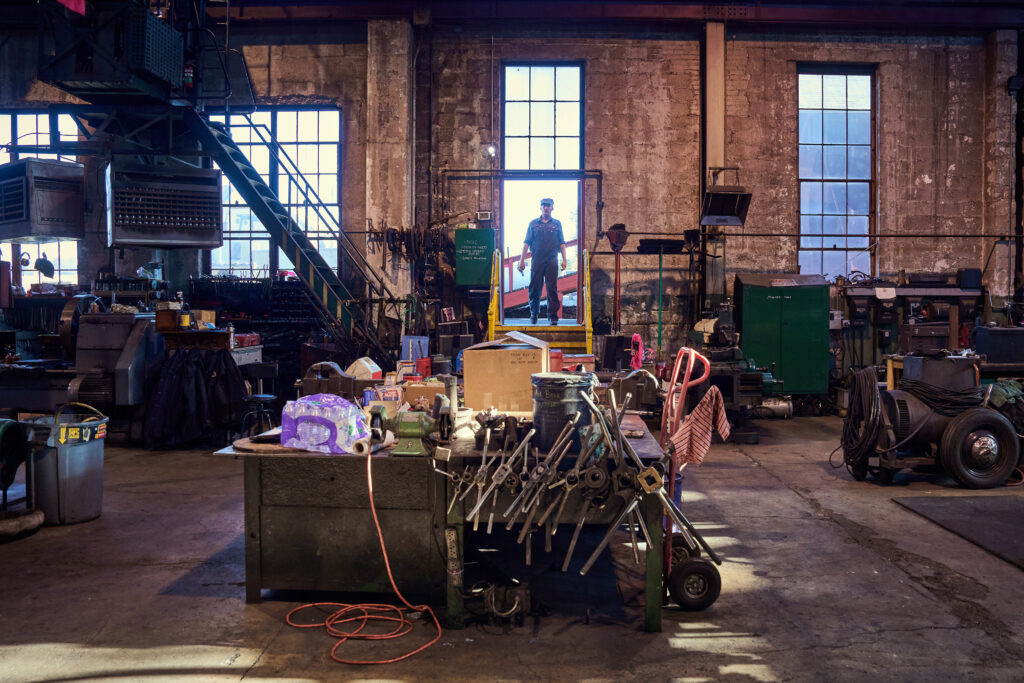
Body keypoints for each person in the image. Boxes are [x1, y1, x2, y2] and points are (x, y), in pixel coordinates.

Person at [517, 197, 567, 325]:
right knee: (534, 288)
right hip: (537, 260)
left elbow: (562, 243)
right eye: (544, 205)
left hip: (552, 260)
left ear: (552, 208)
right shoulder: (533, 224)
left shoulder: (557, 224)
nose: (546, 207)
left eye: (548, 205)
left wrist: (564, 260)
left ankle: (553, 316)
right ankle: (534, 314)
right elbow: (526, 243)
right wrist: (521, 261)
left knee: (552, 288)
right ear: (540, 207)